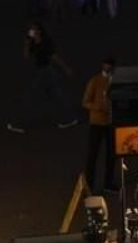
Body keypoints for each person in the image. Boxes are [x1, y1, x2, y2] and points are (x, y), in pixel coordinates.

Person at [7, 22, 78, 133]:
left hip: (46, 72)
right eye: (31, 30)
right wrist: (26, 44)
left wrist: (66, 68)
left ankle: (16, 123)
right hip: (42, 72)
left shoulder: (46, 42)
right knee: (57, 95)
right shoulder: (32, 43)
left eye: (35, 29)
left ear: (40, 31)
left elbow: (54, 57)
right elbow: (26, 56)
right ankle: (71, 118)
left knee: (31, 97)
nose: (33, 32)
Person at [82, 56, 118, 192]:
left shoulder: (114, 82)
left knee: (111, 155)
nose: (107, 68)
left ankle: (108, 183)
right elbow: (85, 101)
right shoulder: (95, 81)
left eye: (110, 66)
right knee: (92, 155)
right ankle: (89, 185)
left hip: (110, 123)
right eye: (106, 65)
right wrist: (96, 107)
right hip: (97, 123)